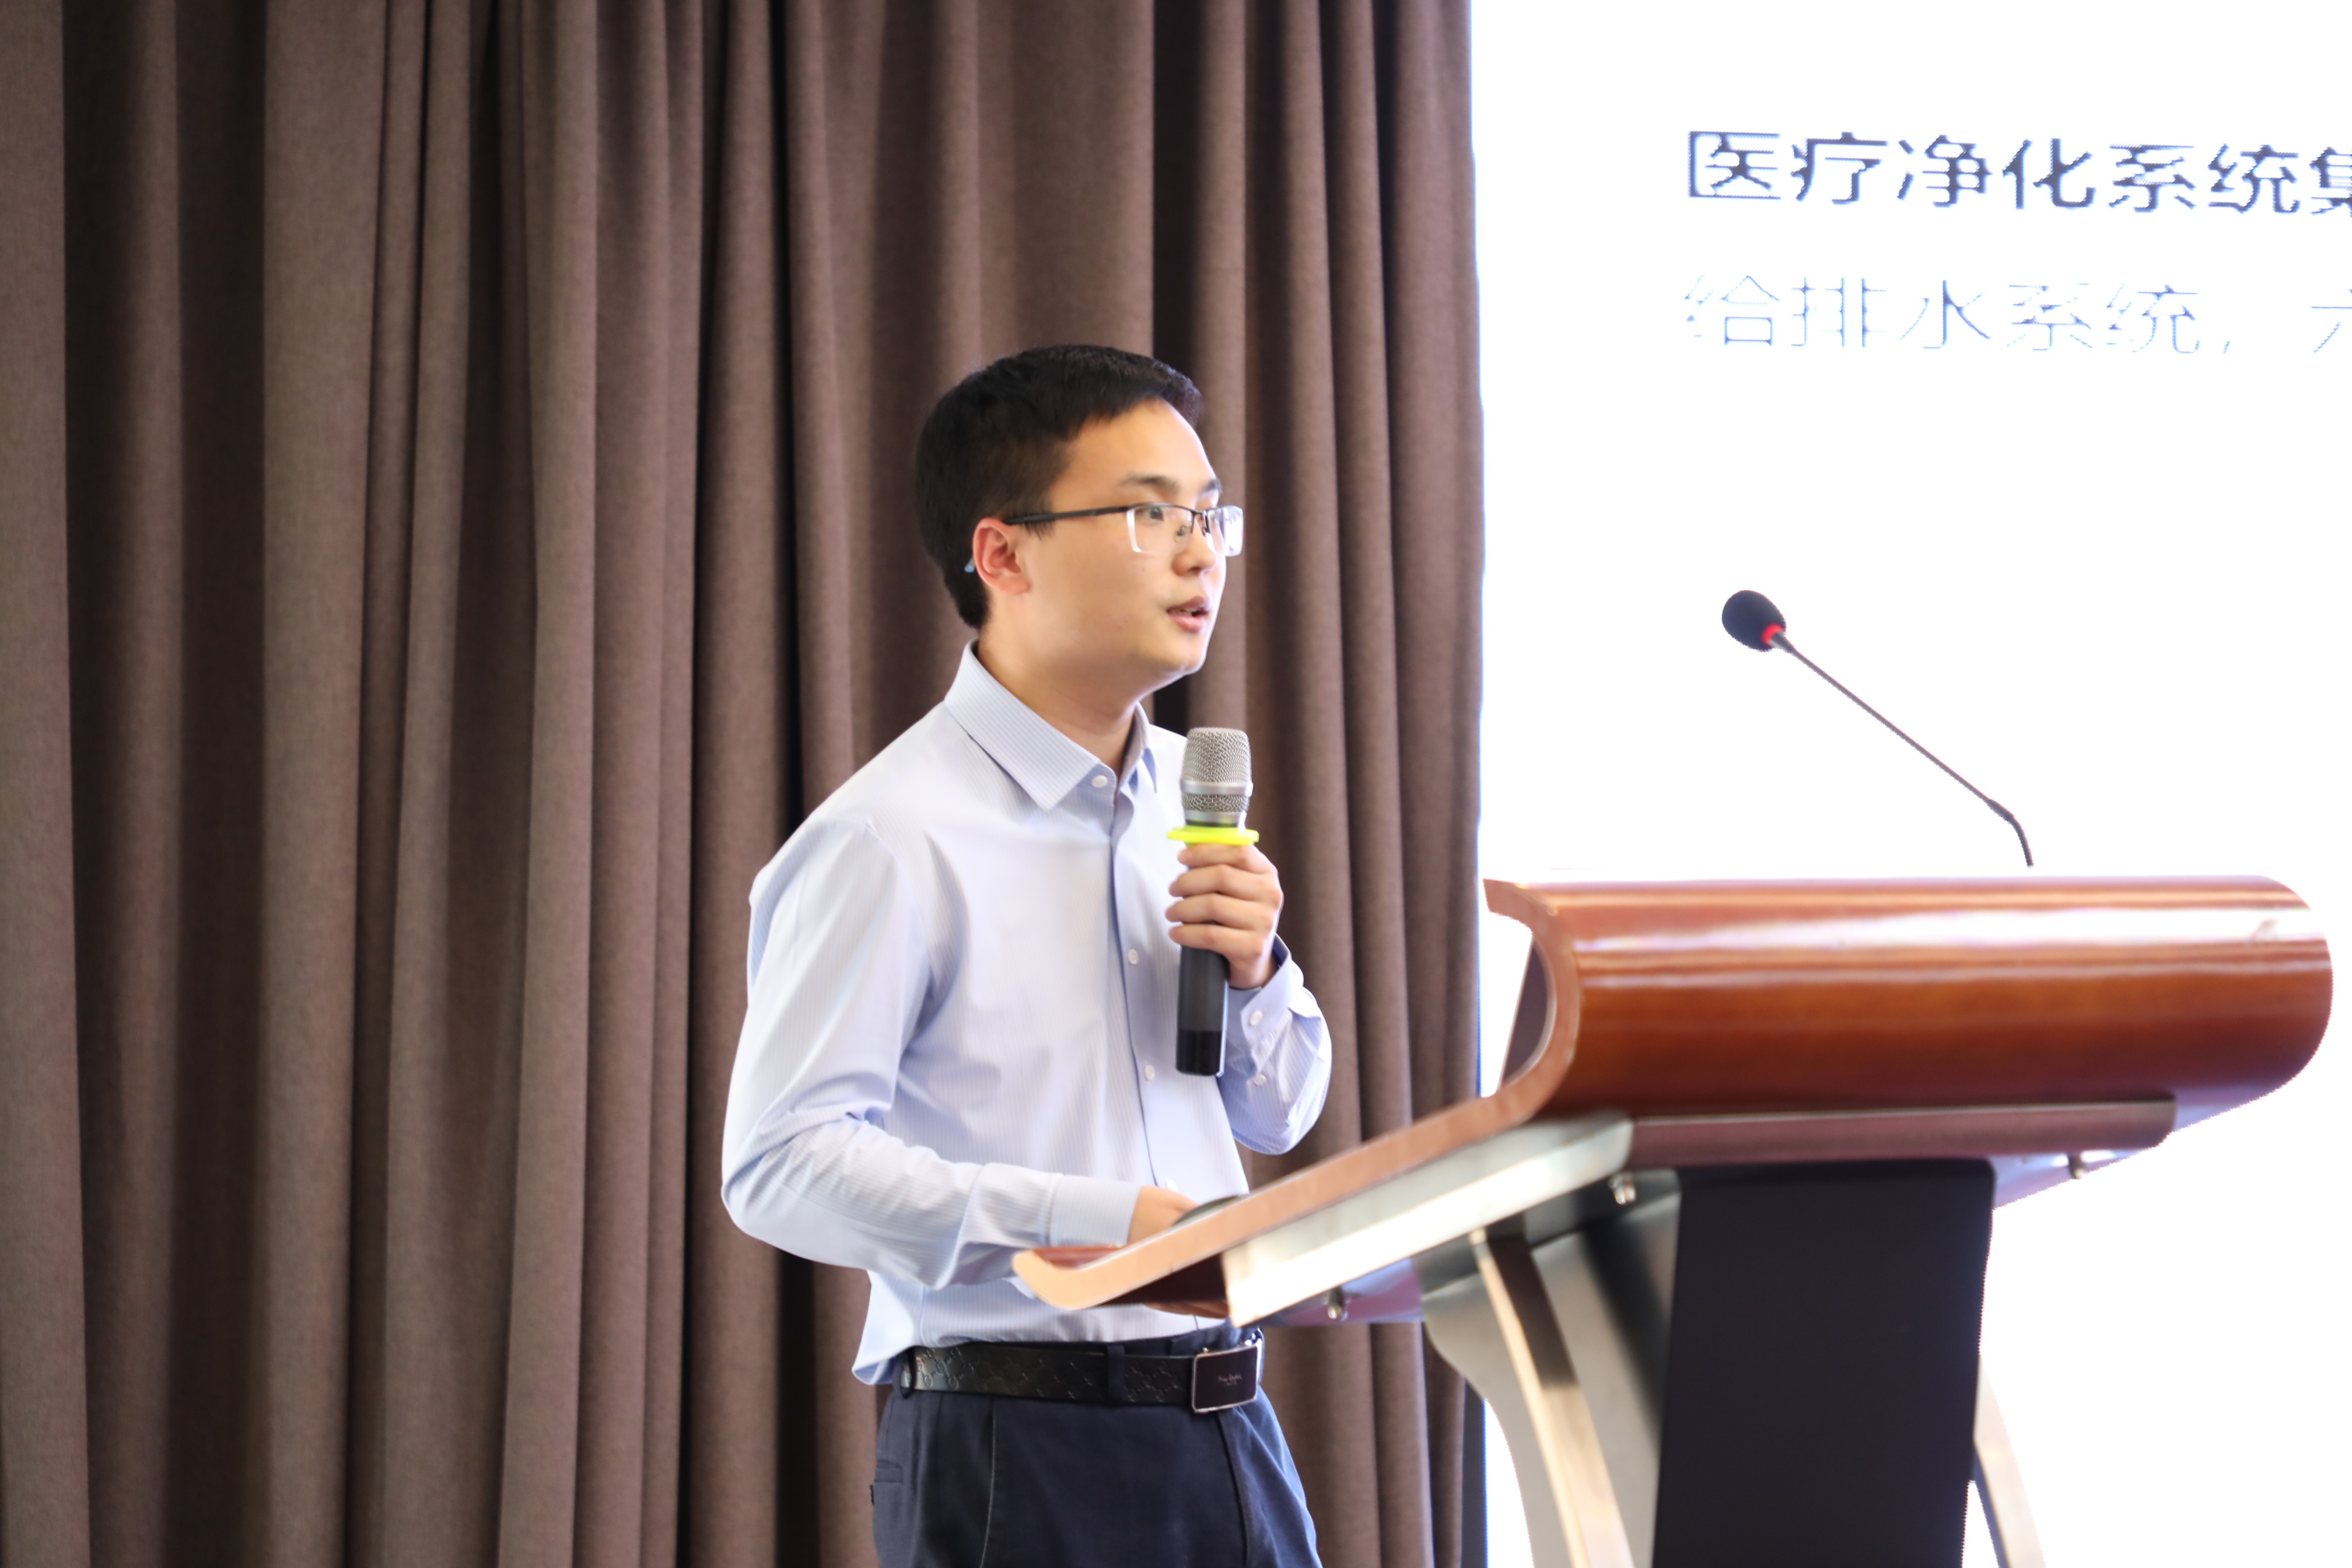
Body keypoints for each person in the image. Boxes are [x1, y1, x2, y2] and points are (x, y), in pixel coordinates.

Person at [722, 345, 1332, 1567]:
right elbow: (780, 1163)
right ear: (1003, 554)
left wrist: (1260, 976)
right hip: (1017, 1440)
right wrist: (1094, 1221)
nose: (1201, 554)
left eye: (1210, 517)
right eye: (1153, 515)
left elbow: (1280, 1113)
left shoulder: (1193, 799)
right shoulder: (890, 835)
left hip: (1234, 1428)